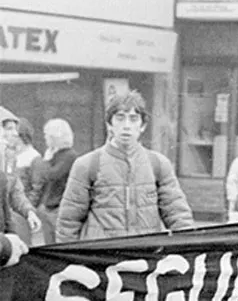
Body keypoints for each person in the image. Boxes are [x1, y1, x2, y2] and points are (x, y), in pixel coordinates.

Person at [57, 90, 195, 243]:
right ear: (110, 124)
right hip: (102, 258)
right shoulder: (87, 164)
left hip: (145, 255)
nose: (126, 126)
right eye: (120, 118)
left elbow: (178, 216)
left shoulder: (158, 164)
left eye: (133, 119)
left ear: (142, 126)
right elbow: (68, 223)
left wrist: (189, 248)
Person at [0, 110, 43, 245]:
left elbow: (16, 191)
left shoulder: (10, 158)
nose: (15, 133)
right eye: (9, 128)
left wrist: (29, 212)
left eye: (15, 129)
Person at [37, 119, 77, 245]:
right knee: (49, 244)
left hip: (60, 207)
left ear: (56, 136)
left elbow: (52, 175)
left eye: (47, 135)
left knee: (59, 244)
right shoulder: (55, 155)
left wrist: (46, 160)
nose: (45, 138)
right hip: (49, 206)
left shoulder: (69, 156)